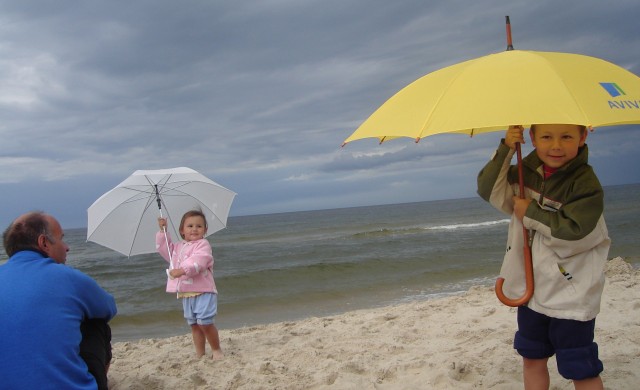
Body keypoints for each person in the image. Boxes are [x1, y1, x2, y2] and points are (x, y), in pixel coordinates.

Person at [477, 124, 610, 390]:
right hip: (531, 289)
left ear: (582, 137)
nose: (556, 146)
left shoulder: (584, 182)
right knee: (532, 357)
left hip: (570, 293)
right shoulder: (525, 174)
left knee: (580, 367)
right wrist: (505, 148)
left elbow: (575, 232)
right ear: (532, 138)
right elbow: (489, 190)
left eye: (567, 137)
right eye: (547, 137)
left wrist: (531, 213)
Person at [0, 211, 117, 390]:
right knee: (97, 324)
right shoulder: (68, 277)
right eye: (61, 239)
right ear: (44, 243)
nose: (67, 247)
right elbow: (108, 308)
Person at [157, 210, 223, 359]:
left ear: (205, 230)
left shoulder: (203, 245)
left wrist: (181, 270)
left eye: (199, 226)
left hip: (204, 290)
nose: (194, 229)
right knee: (194, 325)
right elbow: (165, 250)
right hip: (186, 291)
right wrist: (163, 231)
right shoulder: (178, 247)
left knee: (205, 322)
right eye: (190, 226)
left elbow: (199, 261)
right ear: (182, 230)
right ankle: (200, 353)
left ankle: (216, 349)